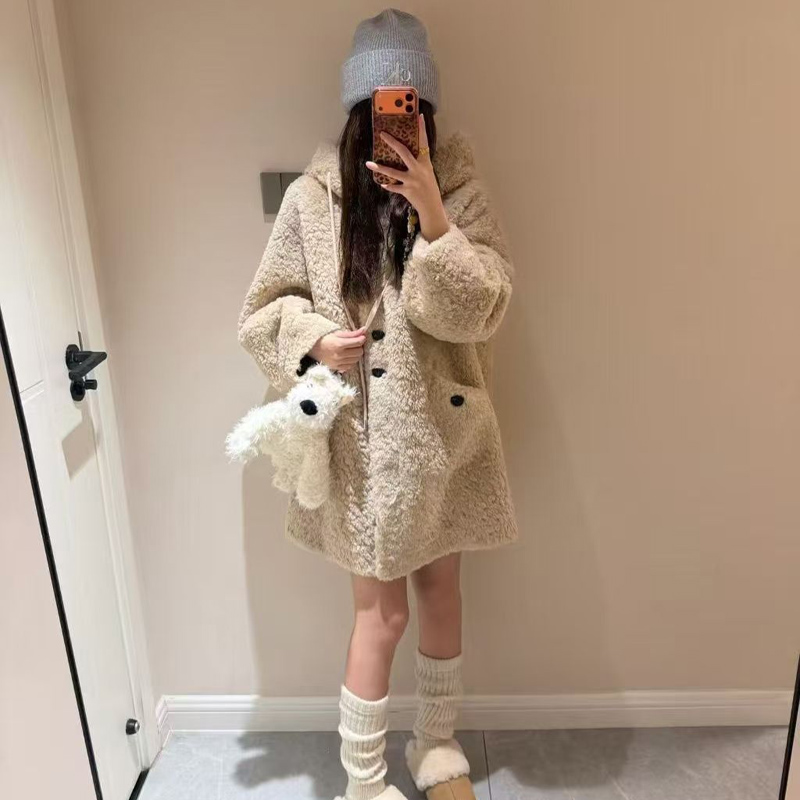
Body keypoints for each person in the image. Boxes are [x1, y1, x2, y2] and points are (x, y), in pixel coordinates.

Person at [237, 9, 518, 800]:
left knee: (441, 594)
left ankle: (437, 746)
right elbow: (260, 314)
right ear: (358, 112)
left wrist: (435, 217)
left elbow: (482, 309)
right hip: (361, 449)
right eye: (382, 108)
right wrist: (315, 340)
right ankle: (363, 782)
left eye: (411, 107)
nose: (397, 122)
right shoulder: (312, 200)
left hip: (445, 437)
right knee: (380, 615)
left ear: (426, 111)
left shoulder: (458, 190)